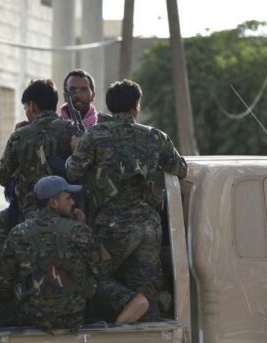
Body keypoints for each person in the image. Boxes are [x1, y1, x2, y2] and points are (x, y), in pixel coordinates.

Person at [66, 80, 188, 318]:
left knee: (90, 276)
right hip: (149, 225)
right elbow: (180, 169)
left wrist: (75, 149)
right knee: (146, 284)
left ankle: (128, 305)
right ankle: (146, 324)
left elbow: (74, 172)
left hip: (113, 224)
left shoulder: (95, 135)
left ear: (109, 107)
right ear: (136, 106)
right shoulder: (156, 136)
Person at [0, 176, 149, 331]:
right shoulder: (78, 231)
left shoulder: (18, 233)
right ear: (53, 202)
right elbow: (103, 269)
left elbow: (3, 283)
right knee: (123, 294)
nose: (73, 202)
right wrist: (84, 227)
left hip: (31, 319)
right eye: (68, 198)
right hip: (72, 319)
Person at [0, 80, 75, 218]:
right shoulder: (72, 129)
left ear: (32, 106)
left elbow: (2, 176)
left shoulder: (20, 135)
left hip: (29, 214)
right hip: (67, 211)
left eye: (25, 107)